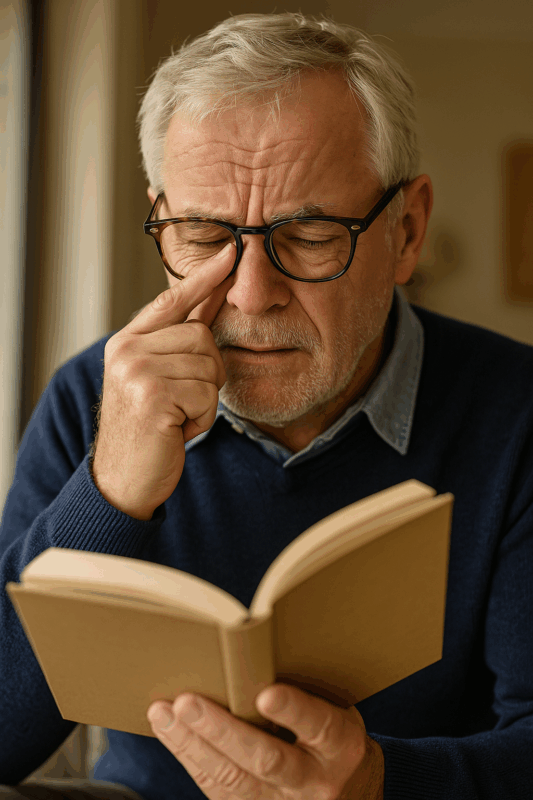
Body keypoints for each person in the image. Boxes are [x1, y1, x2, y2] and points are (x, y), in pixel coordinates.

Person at [1, 10, 533, 800]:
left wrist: (380, 783)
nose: (250, 295)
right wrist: (109, 492)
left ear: (406, 230)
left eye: (310, 235)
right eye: (202, 235)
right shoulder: (96, 394)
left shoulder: (517, 415)